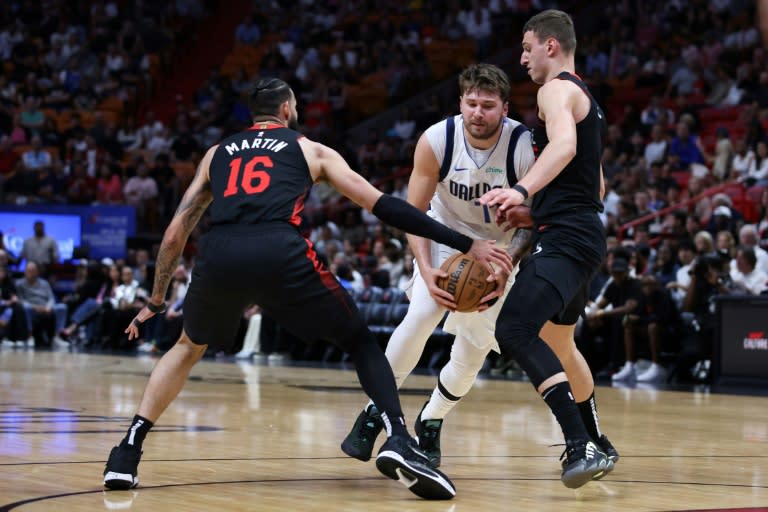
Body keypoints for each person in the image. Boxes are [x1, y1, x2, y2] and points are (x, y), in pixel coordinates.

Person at [102, 77, 513, 500]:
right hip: (279, 249)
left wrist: (156, 299)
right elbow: (383, 206)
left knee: (188, 346)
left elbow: (174, 234)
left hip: (220, 250)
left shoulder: (216, 154)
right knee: (359, 341)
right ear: (286, 110)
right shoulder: (308, 149)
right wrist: (467, 243)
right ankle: (398, 439)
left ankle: (126, 453)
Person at [341, 63, 617, 472]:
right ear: (460, 103)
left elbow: (540, 216)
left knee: (474, 350)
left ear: (504, 109)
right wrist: (424, 267)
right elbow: (411, 213)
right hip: (443, 239)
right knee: (421, 314)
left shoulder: (524, 146)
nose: (478, 113)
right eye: (471, 103)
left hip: (498, 251)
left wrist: (510, 263)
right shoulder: (437, 140)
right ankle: (373, 415)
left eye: (488, 106)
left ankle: (431, 420)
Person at [478, 10, 615, 488]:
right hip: (576, 231)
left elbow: (562, 148)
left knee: (514, 329)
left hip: (569, 237)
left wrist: (520, 190)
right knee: (559, 341)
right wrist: (537, 214)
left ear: (551, 46)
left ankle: (580, 445)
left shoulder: (555, 90)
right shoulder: (586, 98)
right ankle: (599, 439)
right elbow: (595, 185)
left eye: (526, 47)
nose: (522, 57)